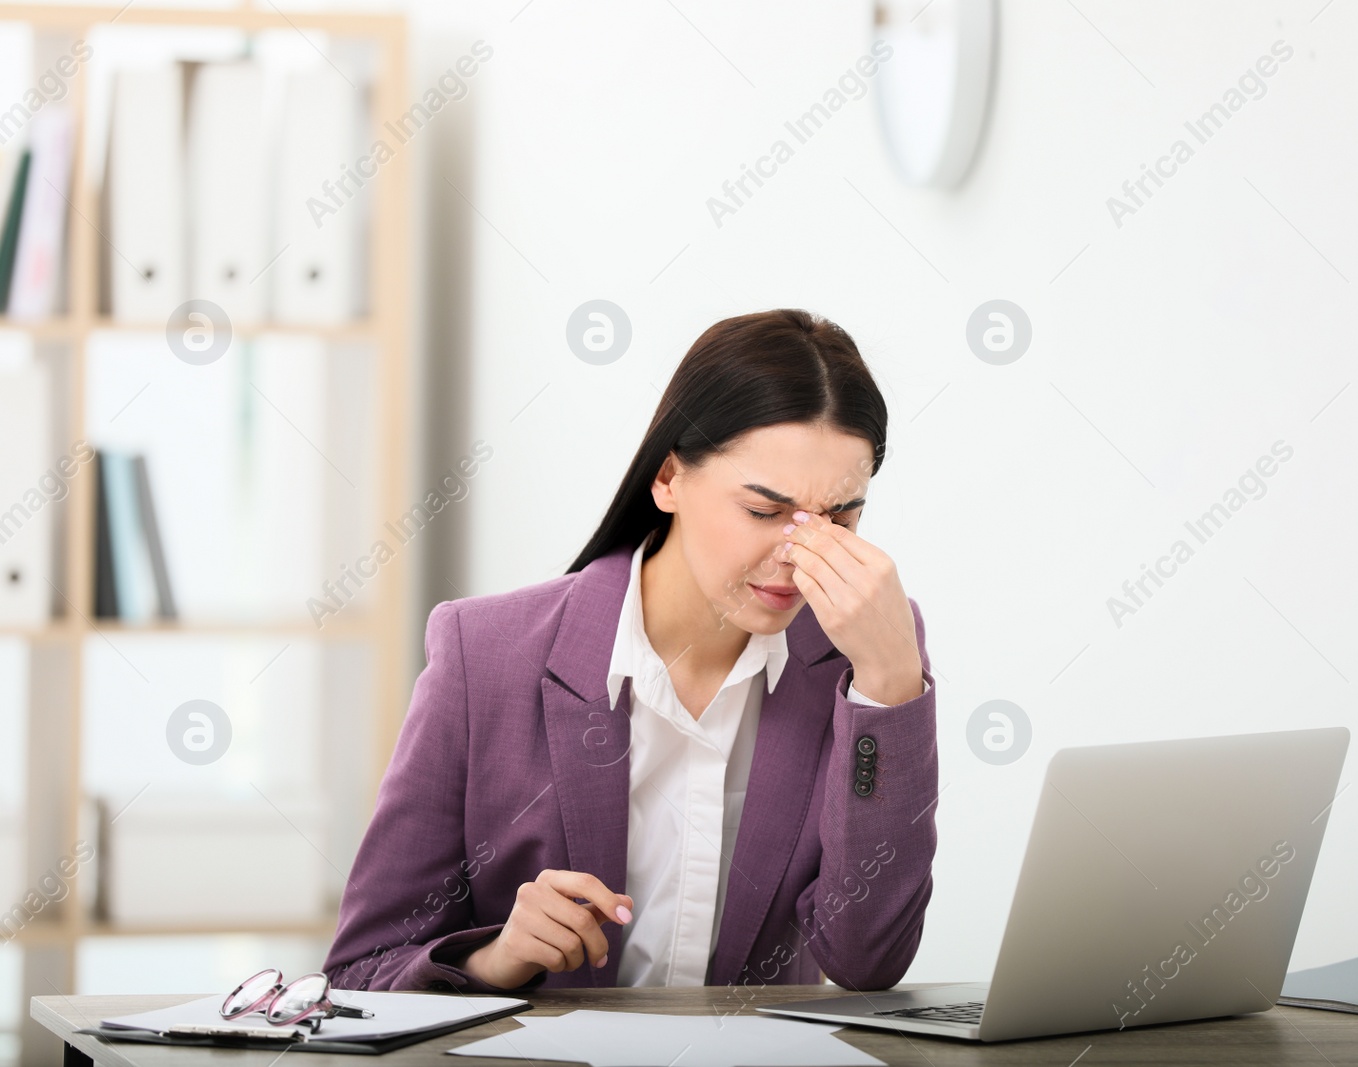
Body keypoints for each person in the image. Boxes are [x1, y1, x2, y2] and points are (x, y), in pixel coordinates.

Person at [323, 308, 938, 996]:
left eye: (841, 517)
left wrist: (889, 686)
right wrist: (496, 958)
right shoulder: (483, 655)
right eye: (765, 511)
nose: (800, 556)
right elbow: (358, 975)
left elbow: (868, 959)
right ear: (669, 476)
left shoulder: (865, 650)